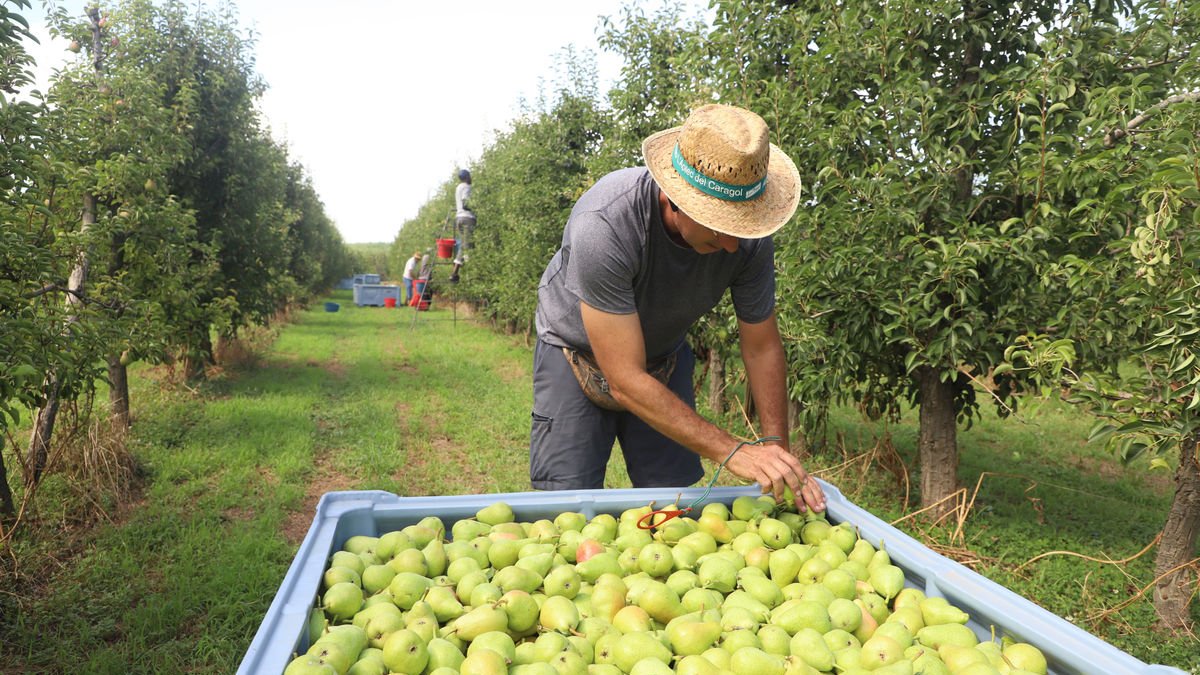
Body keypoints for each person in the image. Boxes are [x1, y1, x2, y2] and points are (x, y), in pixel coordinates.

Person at [530, 103, 826, 513]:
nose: (732, 246)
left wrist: (777, 456)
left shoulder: (748, 237)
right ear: (672, 198)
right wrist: (733, 450)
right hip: (574, 353)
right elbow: (623, 377)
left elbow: (761, 347)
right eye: (720, 226)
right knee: (565, 508)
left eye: (741, 227)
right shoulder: (606, 224)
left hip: (663, 356)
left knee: (677, 506)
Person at [451, 169, 474, 282]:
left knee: (466, 245)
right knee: (466, 245)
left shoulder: (458, 187)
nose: (471, 178)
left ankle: (465, 267)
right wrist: (477, 206)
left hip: (459, 218)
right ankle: (455, 273)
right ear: (466, 177)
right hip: (467, 218)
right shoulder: (466, 187)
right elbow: (466, 204)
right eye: (470, 176)